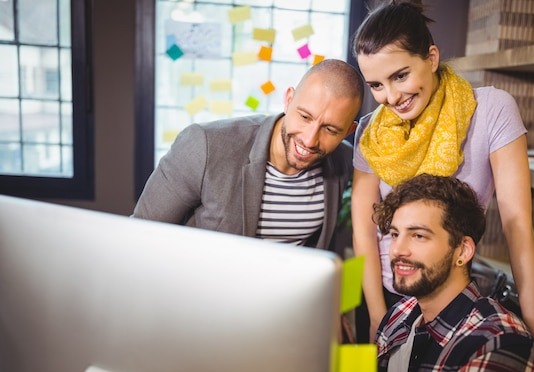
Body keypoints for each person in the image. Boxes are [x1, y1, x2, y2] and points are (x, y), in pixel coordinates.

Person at [349, 0, 534, 372]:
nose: (390, 97)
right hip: (377, 297)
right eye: (376, 84)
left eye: (400, 75)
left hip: (448, 303)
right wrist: (377, 317)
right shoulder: (370, 131)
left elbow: (517, 222)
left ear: (432, 56)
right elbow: (363, 228)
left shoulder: (491, 108)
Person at [363, 173, 534, 372]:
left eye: (419, 235)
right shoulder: (399, 315)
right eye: (394, 234)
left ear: (463, 251)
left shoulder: (500, 344)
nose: (398, 250)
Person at [133, 59, 364, 251]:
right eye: (305, 117)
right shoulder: (204, 145)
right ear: (289, 99)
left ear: (348, 131)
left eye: (330, 130)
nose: (310, 139)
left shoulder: (344, 161)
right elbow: (140, 235)